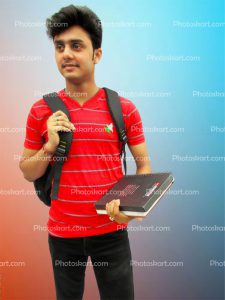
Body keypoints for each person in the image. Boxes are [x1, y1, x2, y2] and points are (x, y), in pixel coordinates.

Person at [19, 5, 151, 300]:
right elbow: (28, 171)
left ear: (97, 54)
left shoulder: (124, 109)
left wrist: (130, 210)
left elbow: (145, 167)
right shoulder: (41, 110)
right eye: (59, 46)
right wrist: (49, 146)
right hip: (63, 235)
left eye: (76, 46)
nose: (66, 54)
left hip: (111, 232)